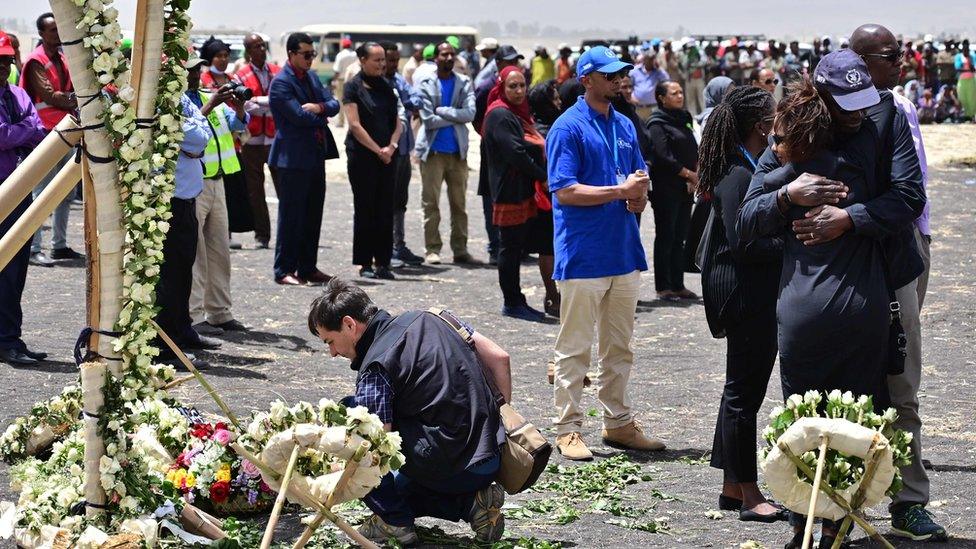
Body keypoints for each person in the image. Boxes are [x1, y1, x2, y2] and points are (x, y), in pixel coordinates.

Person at [737, 51, 924, 547]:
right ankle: (805, 528)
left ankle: (837, 528)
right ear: (819, 96)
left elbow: (909, 198)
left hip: (864, 307)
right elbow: (745, 220)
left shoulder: (881, 126)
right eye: (847, 105)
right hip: (805, 312)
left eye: (863, 102)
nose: (859, 112)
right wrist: (787, 196)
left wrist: (849, 218)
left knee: (855, 427)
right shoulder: (789, 148)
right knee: (805, 426)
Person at [307, 279, 508, 544]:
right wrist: (500, 420)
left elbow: (373, 451)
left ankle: (394, 523)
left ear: (349, 324)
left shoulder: (376, 366)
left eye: (330, 341)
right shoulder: (435, 317)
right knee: (399, 487)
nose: (333, 353)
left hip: (454, 466)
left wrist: (334, 463)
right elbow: (500, 357)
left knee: (349, 415)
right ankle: (471, 504)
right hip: (493, 454)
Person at [850, 23, 947, 542]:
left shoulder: (898, 109)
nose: (903, 61)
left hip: (900, 254)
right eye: (893, 54)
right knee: (849, 381)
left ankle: (909, 501)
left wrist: (916, 241)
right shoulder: (823, 114)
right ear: (859, 60)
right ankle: (844, 498)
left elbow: (913, 193)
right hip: (845, 265)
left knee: (901, 376)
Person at [546, 45, 665, 461]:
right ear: (587, 79)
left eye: (621, 74)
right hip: (583, 254)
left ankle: (618, 423)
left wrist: (639, 196)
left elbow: (637, 176)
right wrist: (621, 191)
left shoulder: (624, 125)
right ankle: (568, 428)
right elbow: (564, 191)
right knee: (575, 345)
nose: (619, 80)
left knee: (619, 346)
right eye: (610, 74)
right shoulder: (567, 128)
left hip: (623, 250)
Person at [696, 86, 786, 523]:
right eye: (774, 115)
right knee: (743, 394)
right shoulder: (736, 174)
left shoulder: (746, 167)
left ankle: (732, 486)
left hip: (748, 289)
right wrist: (791, 243)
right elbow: (744, 242)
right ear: (761, 126)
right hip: (742, 292)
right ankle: (749, 495)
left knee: (741, 388)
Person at [155, 63, 224, 369]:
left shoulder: (181, 98)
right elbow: (195, 138)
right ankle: (167, 345)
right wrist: (195, 133)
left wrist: (195, 131)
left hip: (186, 195)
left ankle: (182, 330)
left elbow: (202, 133)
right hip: (169, 196)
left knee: (183, 269)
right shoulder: (162, 98)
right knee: (170, 275)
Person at [184, 57, 250, 338]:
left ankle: (220, 311)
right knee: (195, 254)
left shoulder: (206, 95)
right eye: (191, 70)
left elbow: (235, 126)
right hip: (195, 184)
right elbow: (189, 130)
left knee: (219, 251)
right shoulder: (182, 101)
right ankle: (194, 314)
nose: (196, 75)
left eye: (198, 70)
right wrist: (211, 104)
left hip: (218, 180)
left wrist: (239, 106)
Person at [268, 32, 340, 286]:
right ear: (291, 54)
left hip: (314, 156)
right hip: (291, 159)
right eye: (306, 54)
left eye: (313, 54)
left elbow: (333, 103)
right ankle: (284, 269)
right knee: (291, 216)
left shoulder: (310, 76)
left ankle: (307, 267)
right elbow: (299, 117)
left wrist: (320, 108)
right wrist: (321, 114)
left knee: (312, 214)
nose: (311, 59)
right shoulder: (281, 83)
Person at [482, 67, 551, 321]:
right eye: (513, 86)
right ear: (501, 87)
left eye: (522, 85)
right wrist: (543, 176)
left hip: (521, 189)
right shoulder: (500, 114)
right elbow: (515, 153)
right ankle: (512, 301)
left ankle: (517, 299)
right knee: (509, 248)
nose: (519, 91)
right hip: (509, 190)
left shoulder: (516, 114)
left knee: (516, 247)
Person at [0, 37, 47, 365]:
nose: (3, 67)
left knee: (16, 271)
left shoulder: (17, 94)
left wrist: (20, 131)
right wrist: (23, 130)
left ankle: (10, 337)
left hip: (20, 191)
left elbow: (40, 132)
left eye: (6, 61)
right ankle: (6, 340)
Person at [22, 12, 81, 268]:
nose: (58, 34)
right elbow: (51, 95)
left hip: (65, 129)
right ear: (42, 34)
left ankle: (59, 245)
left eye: (60, 29)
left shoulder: (63, 58)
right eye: (53, 30)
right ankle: (34, 248)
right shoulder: (36, 60)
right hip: (45, 132)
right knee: (41, 193)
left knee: (65, 192)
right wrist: (77, 98)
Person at [343, 43, 402, 280]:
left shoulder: (387, 86)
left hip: (388, 156)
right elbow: (354, 124)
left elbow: (398, 121)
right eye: (376, 60)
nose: (381, 64)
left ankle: (384, 262)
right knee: (365, 208)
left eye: (383, 60)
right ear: (362, 60)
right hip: (363, 157)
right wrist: (378, 150)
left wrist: (392, 146)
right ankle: (365, 262)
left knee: (385, 208)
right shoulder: (352, 87)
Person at [415, 41, 477, 265]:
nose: (449, 58)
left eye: (452, 54)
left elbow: (470, 113)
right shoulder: (426, 83)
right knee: (431, 204)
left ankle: (460, 249)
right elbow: (428, 121)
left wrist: (442, 110)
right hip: (433, 153)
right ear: (436, 58)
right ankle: (432, 249)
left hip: (457, 154)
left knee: (459, 205)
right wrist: (453, 114)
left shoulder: (463, 82)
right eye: (444, 54)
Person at [647, 80, 699, 301]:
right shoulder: (657, 123)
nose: (680, 96)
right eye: (674, 93)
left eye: (680, 92)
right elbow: (663, 156)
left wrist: (694, 175)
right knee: (666, 236)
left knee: (681, 237)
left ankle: (678, 284)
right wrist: (687, 173)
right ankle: (664, 286)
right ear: (661, 98)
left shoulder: (684, 118)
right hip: (666, 188)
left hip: (685, 187)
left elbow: (691, 146)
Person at [474, 46, 524, 265]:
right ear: (498, 63)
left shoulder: (518, 84)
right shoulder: (487, 88)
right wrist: (493, 135)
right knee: (491, 198)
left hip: (512, 148)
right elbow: (477, 118)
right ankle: (495, 246)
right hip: (493, 151)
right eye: (509, 60)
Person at [380, 41, 425, 269]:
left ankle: (399, 245)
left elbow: (415, 98)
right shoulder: (376, 84)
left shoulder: (398, 80)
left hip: (404, 150)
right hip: (387, 151)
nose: (393, 64)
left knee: (400, 201)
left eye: (396, 60)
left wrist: (409, 101)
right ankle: (385, 248)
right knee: (385, 201)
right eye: (389, 60)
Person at [235, 33, 280, 250]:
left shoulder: (277, 72)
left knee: (284, 189)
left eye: (263, 45)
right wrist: (265, 104)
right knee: (256, 191)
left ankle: (286, 233)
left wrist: (257, 101)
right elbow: (243, 103)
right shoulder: (241, 75)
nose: (261, 49)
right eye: (255, 46)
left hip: (274, 139)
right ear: (248, 51)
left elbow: (281, 100)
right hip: (251, 141)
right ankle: (262, 235)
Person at [629, 48, 669, 121]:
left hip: (653, 107)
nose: (651, 61)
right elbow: (628, 85)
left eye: (652, 59)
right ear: (644, 59)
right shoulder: (635, 71)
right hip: (638, 108)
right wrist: (631, 97)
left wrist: (659, 68)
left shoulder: (658, 72)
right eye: (649, 59)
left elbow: (667, 80)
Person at [332, 37, 357, 127]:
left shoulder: (340, 55)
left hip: (342, 80)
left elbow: (337, 71)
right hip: (353, 80)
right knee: (352, 102)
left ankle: (341, 122)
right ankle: (352, 122)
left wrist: (333, 80)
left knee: (341, 102)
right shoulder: (355, 55)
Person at [682, 40, 707, 116]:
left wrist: (694, 64)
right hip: (689, 80)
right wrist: (689, 61)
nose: (691, 49)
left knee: (702, 98)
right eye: (689, 47)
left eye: (692, 47)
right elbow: (684, 65)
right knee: (690, 99)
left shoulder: (700, 53)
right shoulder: (686, 54)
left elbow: (704, 62)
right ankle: (692, 116)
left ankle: (705, 115)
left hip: (699, 80)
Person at [954, 40, 976, 118]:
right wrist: (968, 69)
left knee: (972, 98)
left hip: (971, 80)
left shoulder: (973, 56)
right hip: (962, 80)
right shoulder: (958, 56)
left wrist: (969, 64)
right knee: (962, 97)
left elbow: (974, 68)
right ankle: (965, 115)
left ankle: (972, 115)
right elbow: (957, 68)